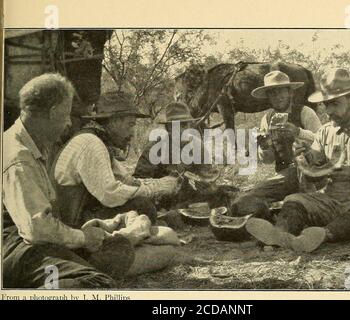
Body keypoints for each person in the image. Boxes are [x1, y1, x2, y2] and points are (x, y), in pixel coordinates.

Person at [246, 68, 350, 253]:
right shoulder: (325, 132)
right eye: (325, 105)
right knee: (294, 200)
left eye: (334, 104)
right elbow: (316, 177)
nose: (328, 112)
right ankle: (280, 234)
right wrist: (307, 160)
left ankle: (323, 234)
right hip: (332, 200)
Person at [2, 73, 118, 288]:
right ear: (53, 112)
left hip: (23, 241)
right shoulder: (19, 157)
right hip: (14, 249)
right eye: (66, 114)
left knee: (109, 256)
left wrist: (77, 231)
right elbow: (35, 229)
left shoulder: (31, 145)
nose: (67, 123)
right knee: (96, 282)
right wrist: (81, 237)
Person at [52, 92, 182, 227]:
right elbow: (110, 194)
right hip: (73, 222)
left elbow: (127, 180)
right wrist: (155, 190)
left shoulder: (98, 141)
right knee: (142, 206)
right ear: (114, 121)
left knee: (142, 204)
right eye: (130, 125)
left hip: (82, 214)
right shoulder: (91, 143)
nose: (132, 133)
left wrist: (161, 184)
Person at [231, 71, 322, 216]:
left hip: (312, 174)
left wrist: (298, 132)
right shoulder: (267, 119)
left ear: (290, 93)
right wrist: (263, 146)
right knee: (246, 200)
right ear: (268, 97)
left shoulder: (305, 112)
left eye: (281, 92)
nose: (278, 97)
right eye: (273, 93)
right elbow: (269, 159)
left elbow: (323, 141)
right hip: (285, 175)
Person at [134, 102, 230, 209]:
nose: (181, 130)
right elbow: (139, 179)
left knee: (222, 194)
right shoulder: (155, 148)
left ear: (190, 126)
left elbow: (206, 174)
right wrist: (163, 184)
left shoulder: (197, 146)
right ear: (168, 128)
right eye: (176, 126)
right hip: (162, 199)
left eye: (184, 125)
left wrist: (206, 183)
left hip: (191, 196)